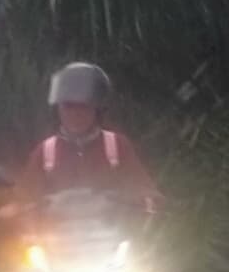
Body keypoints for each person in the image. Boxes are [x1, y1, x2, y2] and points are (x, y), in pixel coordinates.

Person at [26, 62, 158, 231]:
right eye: (68, 106)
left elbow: (145, 189)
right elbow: (22, 197)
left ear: (97, 109)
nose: (75, 113)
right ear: (58, 108)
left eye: (83, 106)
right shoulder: (44, 151)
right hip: (55, 240)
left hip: (110, 237)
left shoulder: (117, 146)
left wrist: (147, 200)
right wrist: (10, 209)